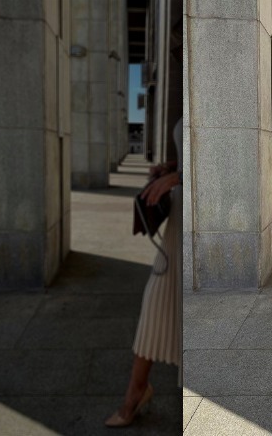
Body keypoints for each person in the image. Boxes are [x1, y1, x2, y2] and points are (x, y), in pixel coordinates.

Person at [104, 118, 183, 428]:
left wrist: (178, 176)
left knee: (164, 302)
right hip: (178, 218)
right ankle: (137, 390)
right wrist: (171, 168)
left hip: (188, 216)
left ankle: (137, 393)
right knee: (157, 300)